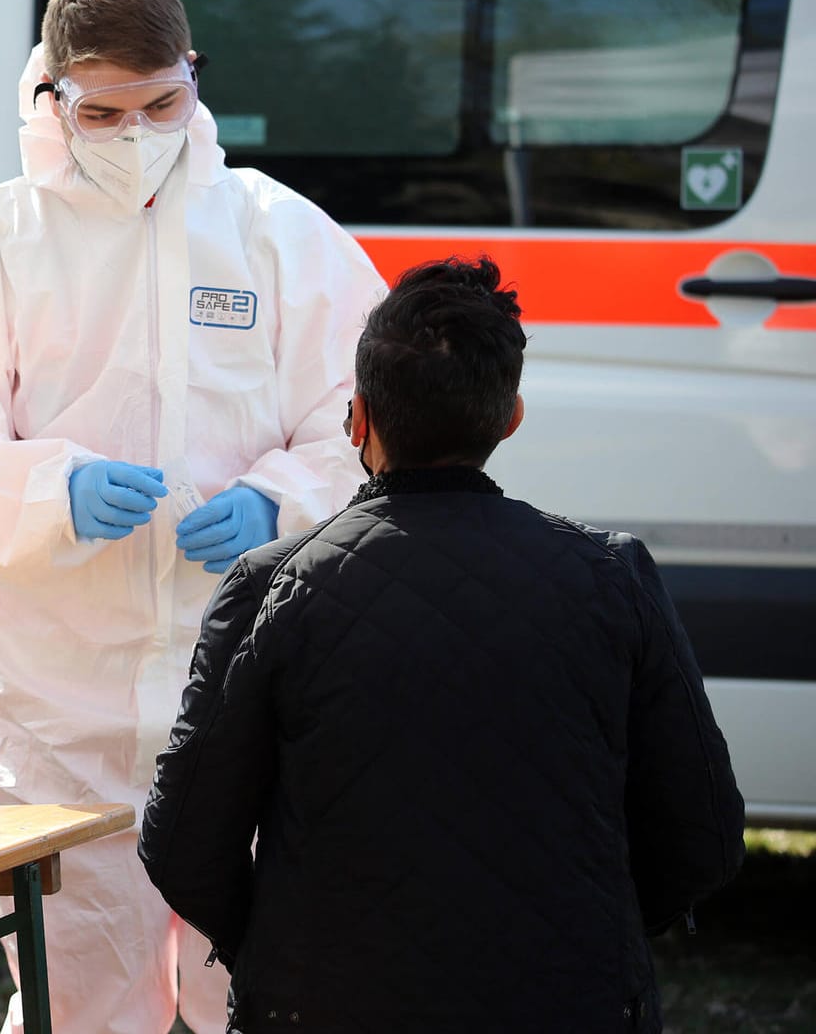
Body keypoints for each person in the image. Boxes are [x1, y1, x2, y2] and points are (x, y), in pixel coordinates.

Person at [0, 0, 384, 1031]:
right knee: (82, 988)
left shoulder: (279, 235)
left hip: (246, 684)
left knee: (252, 984)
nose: (138, 133)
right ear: (50, 97)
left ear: (194, 77)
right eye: (103, 112)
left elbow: (365, 422)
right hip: (61, 696)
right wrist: (54, 490)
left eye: (163, 103)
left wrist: (280, 505)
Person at [139, 256, 746, 1033]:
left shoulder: (271, 587)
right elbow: (705, 838)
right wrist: (593, 939)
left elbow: (184, 841)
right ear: (510, 418)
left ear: (357, 420)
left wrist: (276, 946)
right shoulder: (612, 578)